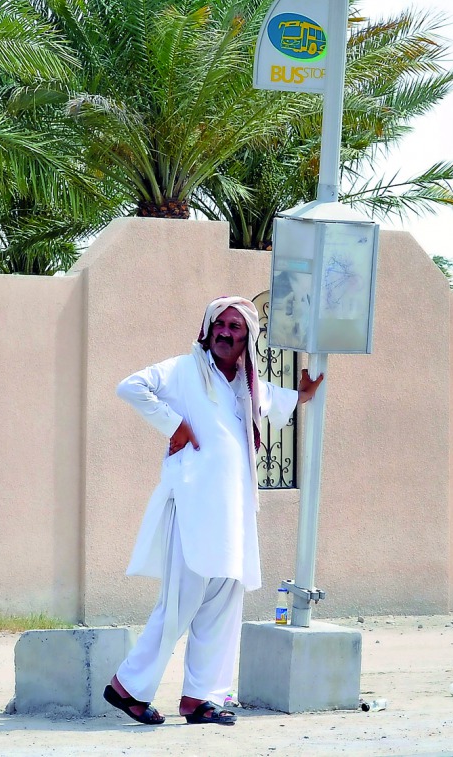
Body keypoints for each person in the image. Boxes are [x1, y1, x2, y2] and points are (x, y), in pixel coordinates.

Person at [103, 296, 324, 726]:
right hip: (192, 507)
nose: (226, 332)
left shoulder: (247, 384)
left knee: (225, 601)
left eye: (235, 327)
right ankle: (127, 687)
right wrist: (175, 425)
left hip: (233, 515)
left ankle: (200, 698)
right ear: (207, 329)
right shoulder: (183, 370)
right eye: (219, 324)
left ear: (248, 339)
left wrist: (304, 391)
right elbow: (129, 386)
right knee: (181, 602)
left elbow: (277, 404)